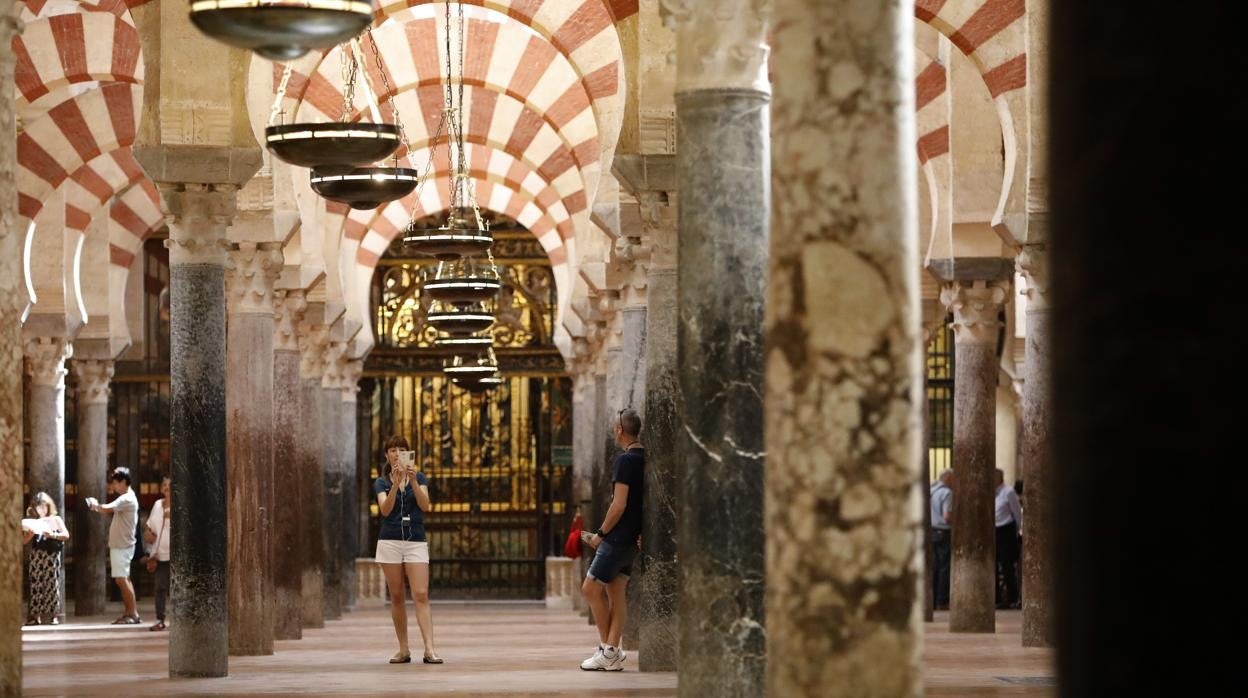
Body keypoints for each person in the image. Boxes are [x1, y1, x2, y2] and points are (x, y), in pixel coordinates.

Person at [580, 408, 644, 672]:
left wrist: (599, 535)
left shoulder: (626, 460)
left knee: (590, 589)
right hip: (632, 538)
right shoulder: (645, 457)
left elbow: (618, 505)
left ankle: (608, 650)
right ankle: (612, 652)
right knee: (616, 592)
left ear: (619, 429)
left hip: (616, 537)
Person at [374, 435, 441, 664]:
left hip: (415, 540)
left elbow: (425, 505)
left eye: (401, 449)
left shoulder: (420, 477)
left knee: (421, 594)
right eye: (392, 449)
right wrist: (395, 484)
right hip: (390, 541)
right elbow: (385, 509)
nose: (396, 453)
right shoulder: (381, 482)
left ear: (409, 454)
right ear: (387, 455)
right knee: (396, 595)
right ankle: (403, 649)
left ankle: (429, 649)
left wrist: (412, 482)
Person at [86, 466, 141, 624]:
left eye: (116, 483)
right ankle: (130, 612)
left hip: (122, 545)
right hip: (122, 544)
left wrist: (94, 505)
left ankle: (133, 613)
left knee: (121, 579)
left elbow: (107, 508)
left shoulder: (126, 498)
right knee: (123, 579)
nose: (113, 486)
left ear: (123, 482)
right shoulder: (127, 497)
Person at [24, 492, 69, 625]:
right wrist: (30, 534)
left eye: (44, 507)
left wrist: (52, 535)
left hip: (52, 554)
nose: (41, 510)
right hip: (37, 554)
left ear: (49, 506)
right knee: (36, 584)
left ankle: (54, 615)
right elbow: (24, 542)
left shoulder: (56, 519)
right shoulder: (35, 521)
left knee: (52, 583)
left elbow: (66, 535)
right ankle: (35, 616)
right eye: (38, 508)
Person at [143, 476, 172, 631]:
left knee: (175, 589)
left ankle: (181, 620)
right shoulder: (157, 505)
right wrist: (148, 534)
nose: (166, 488)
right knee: (160, 588)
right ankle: (160, 619)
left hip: (174, 555)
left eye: (170, 485)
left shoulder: (180, 506)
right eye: (164, 485)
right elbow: (149, 525)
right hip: (158, 554)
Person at [994, 468, 1023, 609]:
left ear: (998, 478)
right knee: (992, 565)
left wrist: (1017, 530)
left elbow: (1017, 513)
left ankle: (1012, 598)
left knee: (1007, 566)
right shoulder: (990, 492)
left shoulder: (1008, 492)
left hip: (1005, 531)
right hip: (993, 532)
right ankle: (996, 598)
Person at [930, 469, 954, 611]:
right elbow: (947, 516)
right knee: (944, 568)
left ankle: (931, 600)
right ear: (948, 479)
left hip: (931, 531)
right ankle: (941, 601)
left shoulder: (932, 490)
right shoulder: (947, 493)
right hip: (943, 532)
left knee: (933, 567)